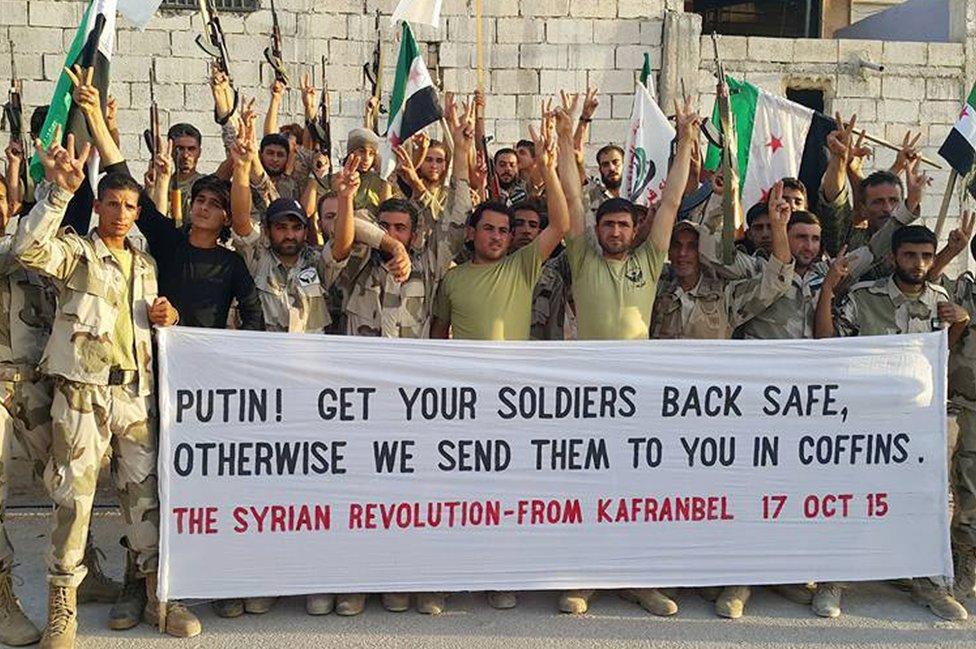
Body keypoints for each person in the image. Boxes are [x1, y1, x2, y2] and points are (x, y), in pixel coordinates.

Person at [14, 130, 199, 647]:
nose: (121, 214)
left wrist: (169, 315)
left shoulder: (145, 265)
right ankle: (62, 605)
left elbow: (147, 323)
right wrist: (57, 192)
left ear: (139, 212)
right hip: (82, 393)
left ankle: (158, 593)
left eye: (130, 206)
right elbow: (29, 250)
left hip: (134, 396)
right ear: (98, 206)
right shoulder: (77, 253)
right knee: (74, 499)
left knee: (145, 498)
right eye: (112, 204)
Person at [550, 93, 698, 616]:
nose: (615, 231)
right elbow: (570, 192)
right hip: (589, 390)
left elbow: (675, 202)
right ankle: (585, 577)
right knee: (590, 484)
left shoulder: (651, 259)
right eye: (607, 225)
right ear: (599, 230)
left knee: (637, 487)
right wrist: (567, 137)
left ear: (635, 230)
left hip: (639, 392)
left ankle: (638, 578)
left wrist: (683, 139)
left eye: (623, 225)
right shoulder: (582, 256)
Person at [815, 225, 970, 622]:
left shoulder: (941, 299)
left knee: (923, 502)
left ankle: (929, 583)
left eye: (925, 256)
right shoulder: (865, 298)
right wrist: (829, 291)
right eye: (909, 255)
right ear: (894, 256)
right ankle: (834, 581)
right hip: (867, 421)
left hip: (919, 423)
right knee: (852, 499)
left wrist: (959, 324)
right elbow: (830, 345)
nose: (918, 264)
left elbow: (939, 354)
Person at [430, 110, 569, 343]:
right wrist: (461, 151)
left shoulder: (522, 266)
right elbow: (438, 334)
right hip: (468, 378)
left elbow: (560, 225)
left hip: (513, 377)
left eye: (503, 231)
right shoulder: (451, 279)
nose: (496, 236)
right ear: (471, 233)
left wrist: (548, 169)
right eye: (489, 229)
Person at [651, 182, 794, 341]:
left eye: (692, 246)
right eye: (677, 245)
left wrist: (779, 227)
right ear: (669, 252)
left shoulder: (725, 296)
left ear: (702, 252)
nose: (682, 253)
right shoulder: (656, 288)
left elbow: (776, 282)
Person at [925, 212, 976, 603]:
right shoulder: (962, 290)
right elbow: (922, 285)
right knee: (966, 488)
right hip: (965, 404)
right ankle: (964, 564)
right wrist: (950, 251)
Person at [168, 122, 206, 217]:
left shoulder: (206, 184)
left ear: (199, 152)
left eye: (191, 149)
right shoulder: (162, 185)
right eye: (180, 149)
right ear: (170, 150)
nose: (185, 155)